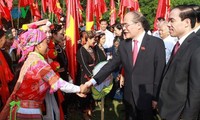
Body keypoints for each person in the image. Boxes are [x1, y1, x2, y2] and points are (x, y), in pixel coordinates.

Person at [85, 11, 166, 120]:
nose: (124, 28)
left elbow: (159, 73)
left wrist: (155, 97)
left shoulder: (156, 43)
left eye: (126, 25)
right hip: (129, 98)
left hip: (147, 97)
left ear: (138, 25)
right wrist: (92, 81)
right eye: (123, 25)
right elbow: (112, 65)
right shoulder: (124, 44)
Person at [0, 29, 89, 120]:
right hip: (29, 112)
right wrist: (79, 88)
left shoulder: (30, 59)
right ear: (38, 45)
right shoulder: (39, 63)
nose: (48, 46)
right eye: (46, 42)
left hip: (21, 109)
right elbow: (57, 83)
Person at [158, 5, 200, 120]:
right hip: (169, 111)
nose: (168, 24)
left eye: (172, 20)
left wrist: (188, 117)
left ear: (186, 22)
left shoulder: (196, 46)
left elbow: (196, 89)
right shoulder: (180, 44)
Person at [76, 31, 97, 120]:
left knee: (91, 94)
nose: (94, 40)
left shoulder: (92, 49)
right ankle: (84, 112)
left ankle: (90, 110)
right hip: (85, 75)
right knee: (85, 93)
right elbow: (84, 65)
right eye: (92, 39)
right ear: (87, 39)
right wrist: (91, 75)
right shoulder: (81, 51)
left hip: (93, 73)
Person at [0, 28, 14, 111]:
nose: (5, 40)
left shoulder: (5, 55)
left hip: (5, 91)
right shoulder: (4, 55)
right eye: (4, 38)